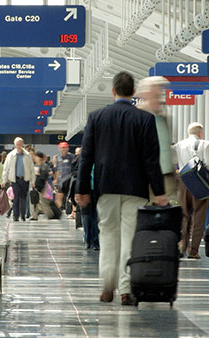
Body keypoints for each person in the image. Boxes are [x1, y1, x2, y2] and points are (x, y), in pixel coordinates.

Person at [75, 71, 167, 306]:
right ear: (133, 93)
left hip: (106, 189)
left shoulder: (96, 117)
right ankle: (126, 290)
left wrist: (82, 189)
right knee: (129, 239)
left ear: (113, 91)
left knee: (107, 237)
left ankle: (107, 286)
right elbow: (151, 160)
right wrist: (159, 192)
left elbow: (86, 158)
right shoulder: (144, 119)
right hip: (135, 190)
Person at [137, 76, 177, 202]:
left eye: (161, 93)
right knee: (146, 216)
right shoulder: (137, 116)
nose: (160, 97)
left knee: (169, 216)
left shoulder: (165, 117)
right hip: (145, 179)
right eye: (155, 93)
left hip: (167, 179)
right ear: (145, 94)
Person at [174, 122, 209, 259]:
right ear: (200, 133)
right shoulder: (204, 144)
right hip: (199, 182)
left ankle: (182, 247)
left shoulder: (179, 145)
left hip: (183, 182)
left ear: (189, 132)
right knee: (198, 216)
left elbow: (174, 164)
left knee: (184, 215)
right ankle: (193, 251)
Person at [2, 137, 35, 222]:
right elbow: (6, 168)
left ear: (22, 144)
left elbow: (31, 169)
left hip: (25, 179)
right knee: (16, 197)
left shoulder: (27, 155)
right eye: (17, 144)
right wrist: (4, 180)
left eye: (20, 144)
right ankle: (15, 215)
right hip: (15, 179)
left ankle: (23, 215)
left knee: (23, 197)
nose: (19, 146)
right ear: (15, 145)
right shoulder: (11, 155)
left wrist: (33, 181)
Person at [29, 151, 54, 220]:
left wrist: (38, 174)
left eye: (36, 157)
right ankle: (34, 215)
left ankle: (50, 214)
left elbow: (43, 176)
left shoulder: (44, 166)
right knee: (33, 201)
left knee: (43, 202)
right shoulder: (35, 165)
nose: (35, 158)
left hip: (41, 186)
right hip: (35, 186)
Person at [54, 142, 75, 209]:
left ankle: (72, 211)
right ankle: (58, 210)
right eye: (62, 148)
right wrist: (55, 179)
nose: (63, 149)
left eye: (65, 148)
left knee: (70, 195)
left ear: (68, 148)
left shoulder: (71, 157)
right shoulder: (57, 157)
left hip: (69, 179)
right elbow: (56, 169)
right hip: (60, 180)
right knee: (59, 195)